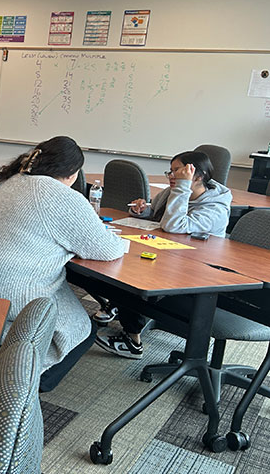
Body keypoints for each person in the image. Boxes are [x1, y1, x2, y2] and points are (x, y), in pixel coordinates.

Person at [0, 136, 127, 391]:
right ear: (73, 173)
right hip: (17, 292)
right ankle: (22, 384)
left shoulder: (7, 182)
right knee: (83, 329)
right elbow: (107, 249)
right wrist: (120, 241)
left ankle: (3, 367)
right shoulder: (58, 195)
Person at [94, 151, 231, 359]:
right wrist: (142, 210)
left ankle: (132, 341)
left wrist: (182, 187)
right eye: (171, 171)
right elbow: (158, 216)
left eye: (178, 171)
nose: (172, 176)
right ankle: (117, 305)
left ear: (198, 175)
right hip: (167, 256)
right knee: (117, 264)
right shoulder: (171, 192)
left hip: (194, 271)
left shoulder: (215, 207)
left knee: (131, 276)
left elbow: (174, 225)